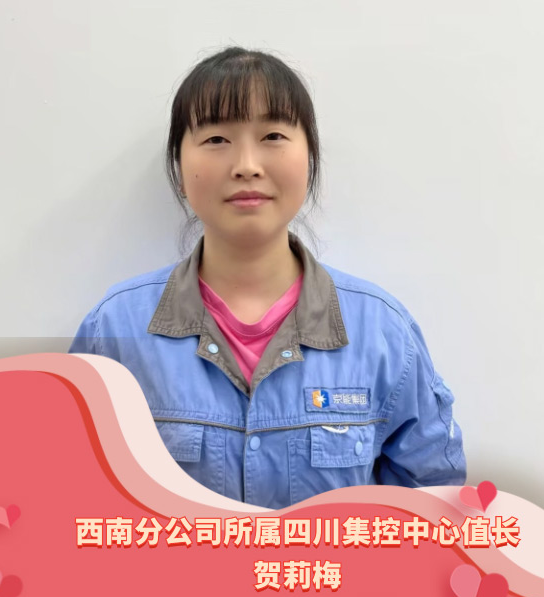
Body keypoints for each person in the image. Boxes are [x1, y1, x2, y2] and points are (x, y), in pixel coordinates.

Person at [69, 46, 466, 508]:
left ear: (309, 159)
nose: (246, 165)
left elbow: (433, 509)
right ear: (179, 169)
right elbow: (73, 498)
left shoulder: (383, 333)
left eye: (273, 135)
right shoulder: (114, 332)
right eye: (216, 138)